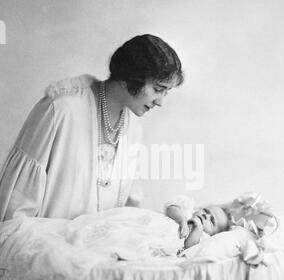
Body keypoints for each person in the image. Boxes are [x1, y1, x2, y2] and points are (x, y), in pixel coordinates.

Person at [0, 34, 184, 221]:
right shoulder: (61, 109)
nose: (160, 102)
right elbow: (16, 205)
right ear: (132, 76)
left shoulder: (133, 128)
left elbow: (128, 210)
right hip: (41, 243)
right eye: (158, 89)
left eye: (166, 92)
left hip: (97, 245)